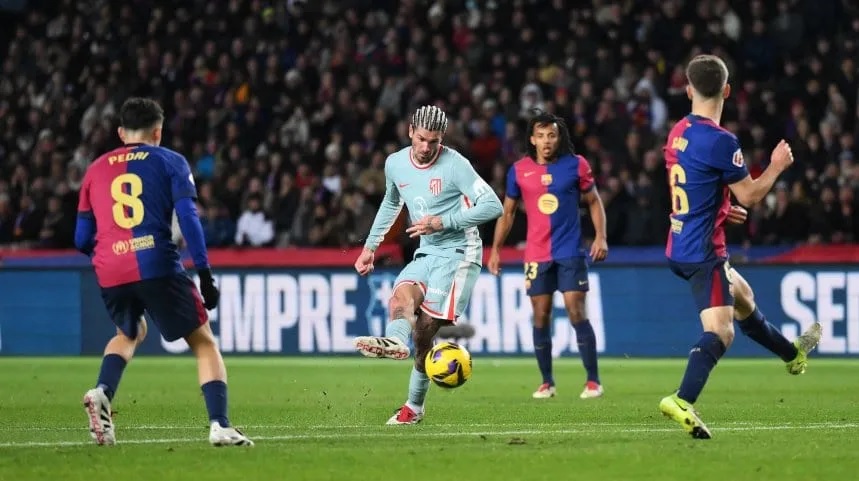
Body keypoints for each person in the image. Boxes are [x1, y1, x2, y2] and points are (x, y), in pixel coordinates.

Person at [659, 55, 822, 439]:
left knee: (744, 298)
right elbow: (750, 193)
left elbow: (691, 183)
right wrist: (778, 165)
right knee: (722, 331)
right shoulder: (722, 141)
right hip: (703, 251)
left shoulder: (677, 131)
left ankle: (793, 355)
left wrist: (720, 207)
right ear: (727, 91)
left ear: (688, 90)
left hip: (679, 240)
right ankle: (682, 400)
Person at [74, 98, 252, 447]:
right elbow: (189, 219)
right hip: (155, 261)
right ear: (158, 131)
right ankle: (220, 424)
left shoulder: (95, 169)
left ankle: (102, 391)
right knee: (203, 343)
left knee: (128, 332)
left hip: (110, 267)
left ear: (121, 132)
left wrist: (111, 252)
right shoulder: (170, 160)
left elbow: (81, 238)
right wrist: (204, 274)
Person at [352, 105, 503, 425]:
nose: (425, 148)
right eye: (421, 139)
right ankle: (393, 339)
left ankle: (414, 407)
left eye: (433, 142)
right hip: (427, 252)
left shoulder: (455, 165)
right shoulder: (395, 164)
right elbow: (391, 202)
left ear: (441, 139)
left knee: (423, 332)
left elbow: (493, 205)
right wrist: (370, 247)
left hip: (460, 254)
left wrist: (443, 222)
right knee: (399, 297)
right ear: (410, 132)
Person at [488, 111, 608, 400]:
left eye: (551, 135)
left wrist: (601, 236)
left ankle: (593, 381)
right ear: (532, 139)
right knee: (540, 315)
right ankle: (547, 382)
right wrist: (494, 250)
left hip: (570, 251)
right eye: (540, 136)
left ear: (559, 137)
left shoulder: (576, 165)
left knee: (575, 308)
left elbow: (594, 201)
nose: (546, 141)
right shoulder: (519, 170)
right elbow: (508, 213)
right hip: (536, 254)